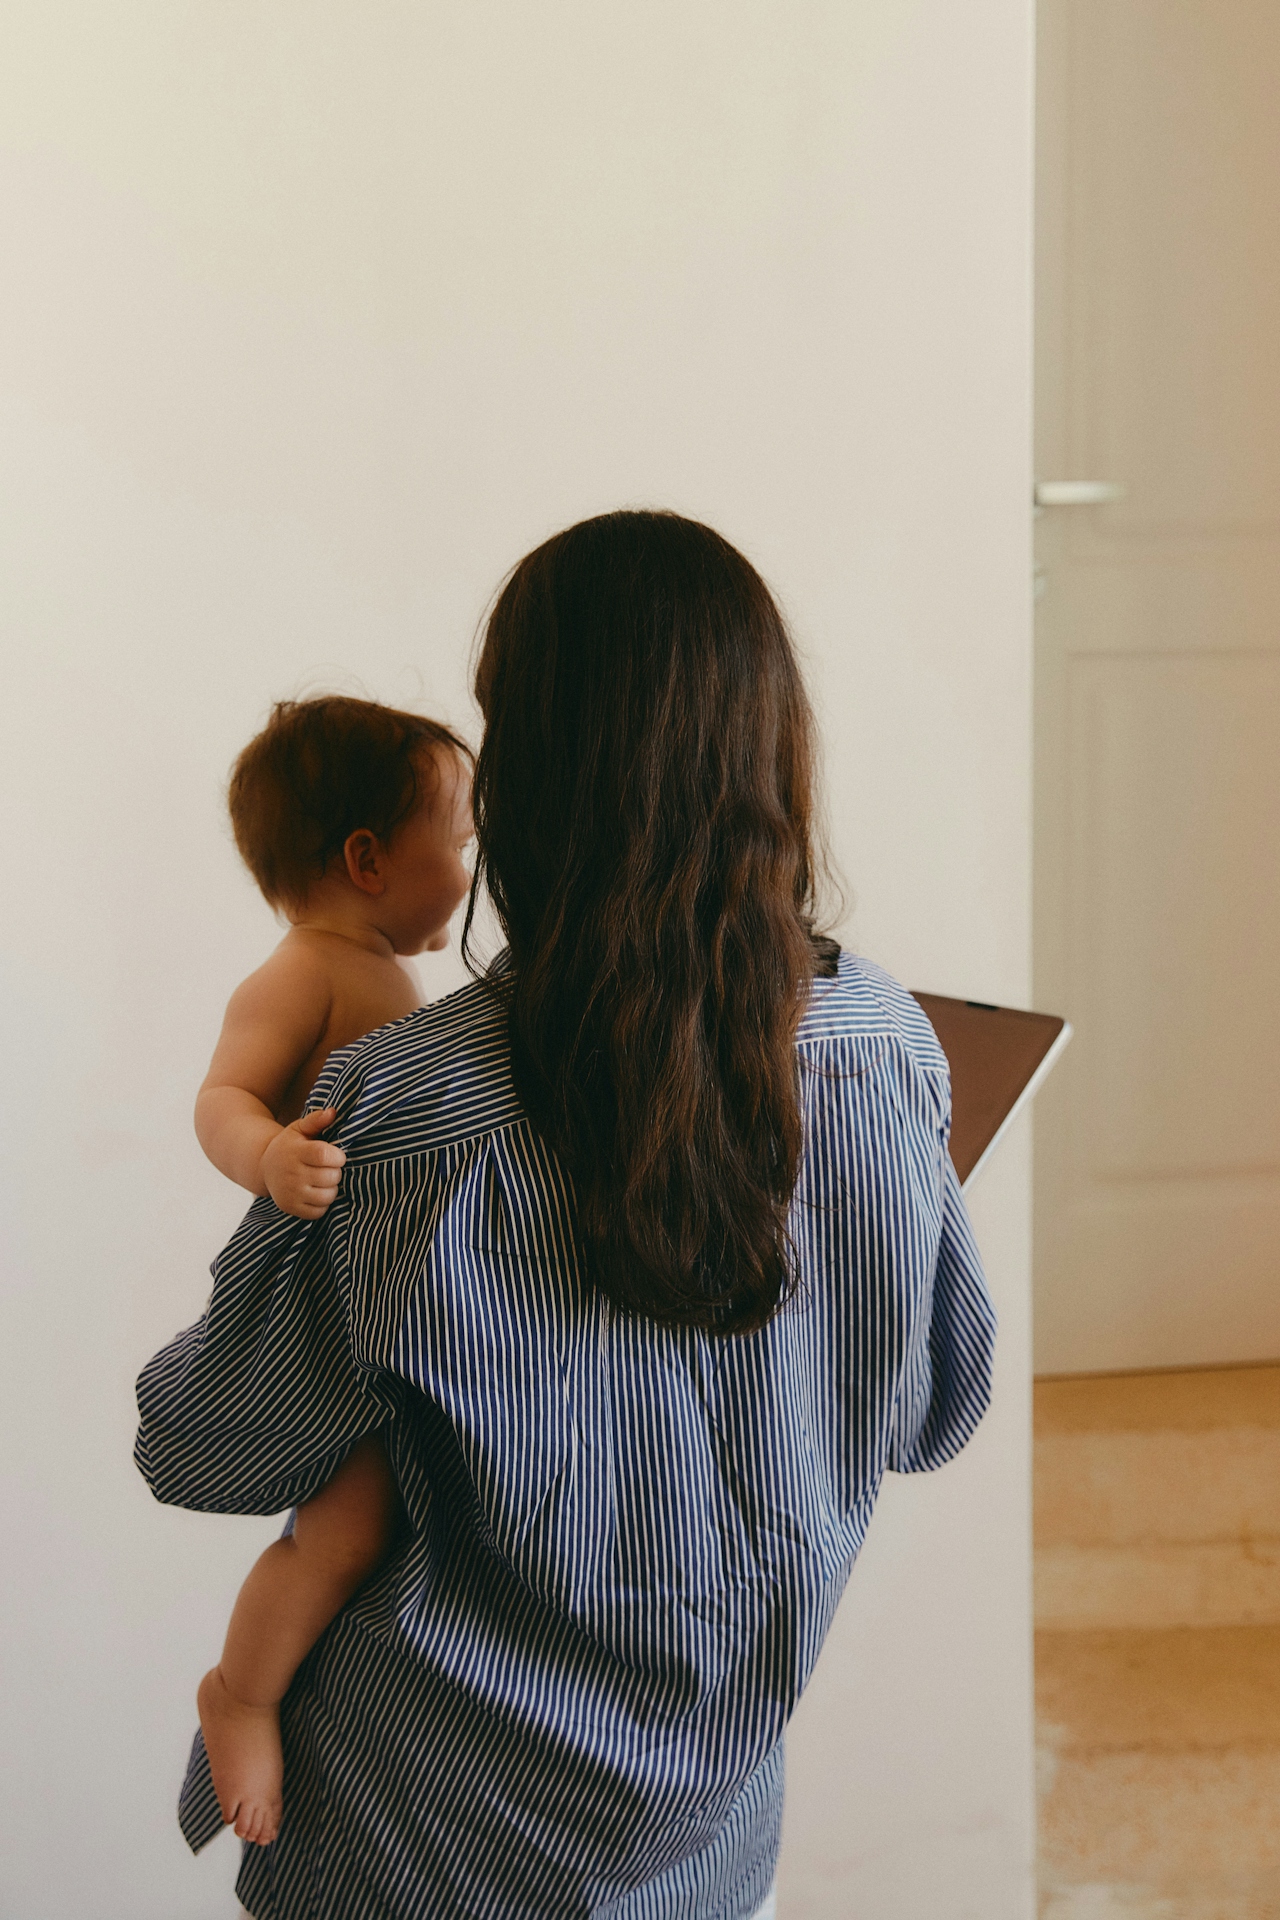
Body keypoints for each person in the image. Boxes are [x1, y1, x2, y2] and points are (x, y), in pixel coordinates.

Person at [137, 511, 997, 1920]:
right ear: (769, 756)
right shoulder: (890, 1050)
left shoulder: (408, 1108)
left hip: (420, 1846)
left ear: (530, 773)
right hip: (704, 1844)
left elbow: (197, 1443)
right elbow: (932, 1412)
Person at [190, 695, 474, 1845]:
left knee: (398, 1518)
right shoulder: (302, 972)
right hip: (332, 1316)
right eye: (458, 841)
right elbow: (221, 1098)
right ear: (368, 861)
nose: (471, 868)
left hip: (396, 1307)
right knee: (342, 1531)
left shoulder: (384, 974)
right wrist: (266, 1155)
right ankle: (240, 1695)